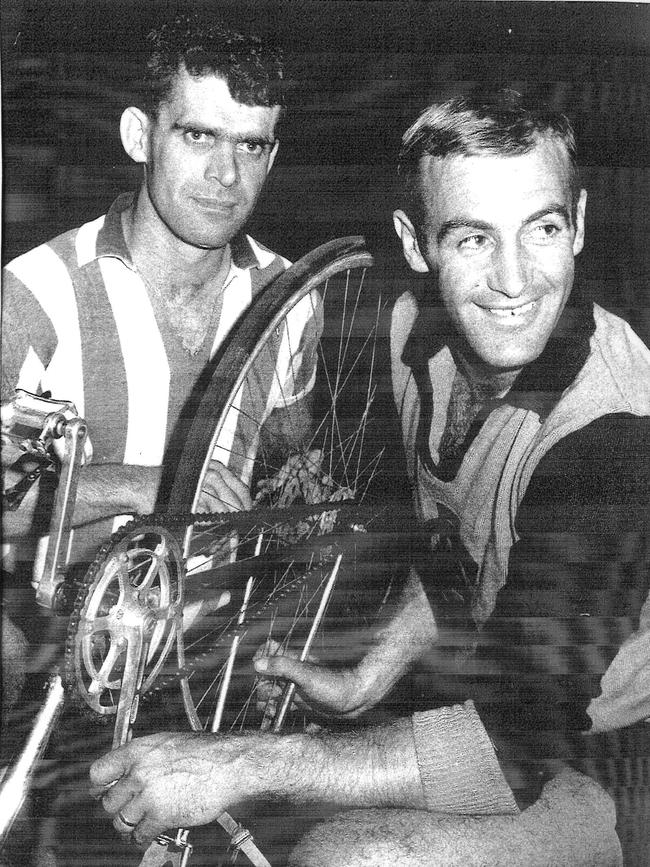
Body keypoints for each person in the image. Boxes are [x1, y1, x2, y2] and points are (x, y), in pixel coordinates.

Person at [90, 91, 650, 865]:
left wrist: (236, 761)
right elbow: (463, 543)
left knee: (343, 855)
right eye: (472, 239)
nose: (515, 281)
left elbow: (516, 745)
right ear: (416, 245)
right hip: (521, 708)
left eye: (544, 229)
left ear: (580, 224)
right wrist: (367, 678)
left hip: (620, 758)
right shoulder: (413, 338)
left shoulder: (611, 440)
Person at [1, 12, 305, 555]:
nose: (227, 174)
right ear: (139, 137)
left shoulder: (290, 296)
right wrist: (146, 485)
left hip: (224, 632)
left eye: (251, 146)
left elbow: (292, 470)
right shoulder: (36, 293)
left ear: (272, 155)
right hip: (68, 630)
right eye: (198, 136)